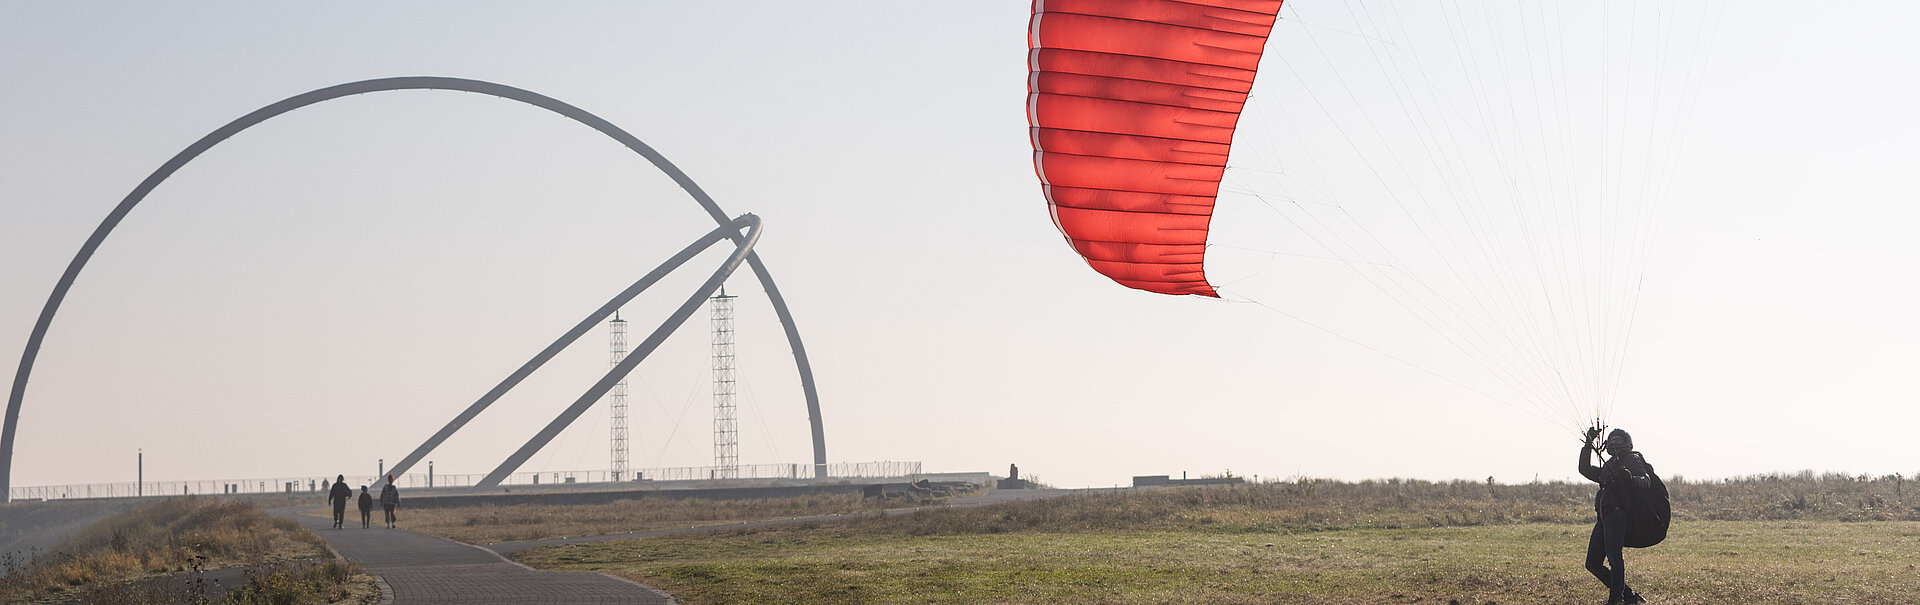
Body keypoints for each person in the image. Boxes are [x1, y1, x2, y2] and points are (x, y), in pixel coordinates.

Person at [1581, 427, 1653, 605]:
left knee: (1614, 558)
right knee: (1592, 563)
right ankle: (1628, 596)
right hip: (1603, 518)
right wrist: (1588, 443)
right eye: (1612, 440)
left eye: (1618, 440)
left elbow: (1645, 480)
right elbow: (1584, 469)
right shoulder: (1609, 465)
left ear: (1627, 443)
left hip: (1617, 515)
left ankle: (1616, 599)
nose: (1614, 443)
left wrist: (1630, 478)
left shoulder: (1632, 459)